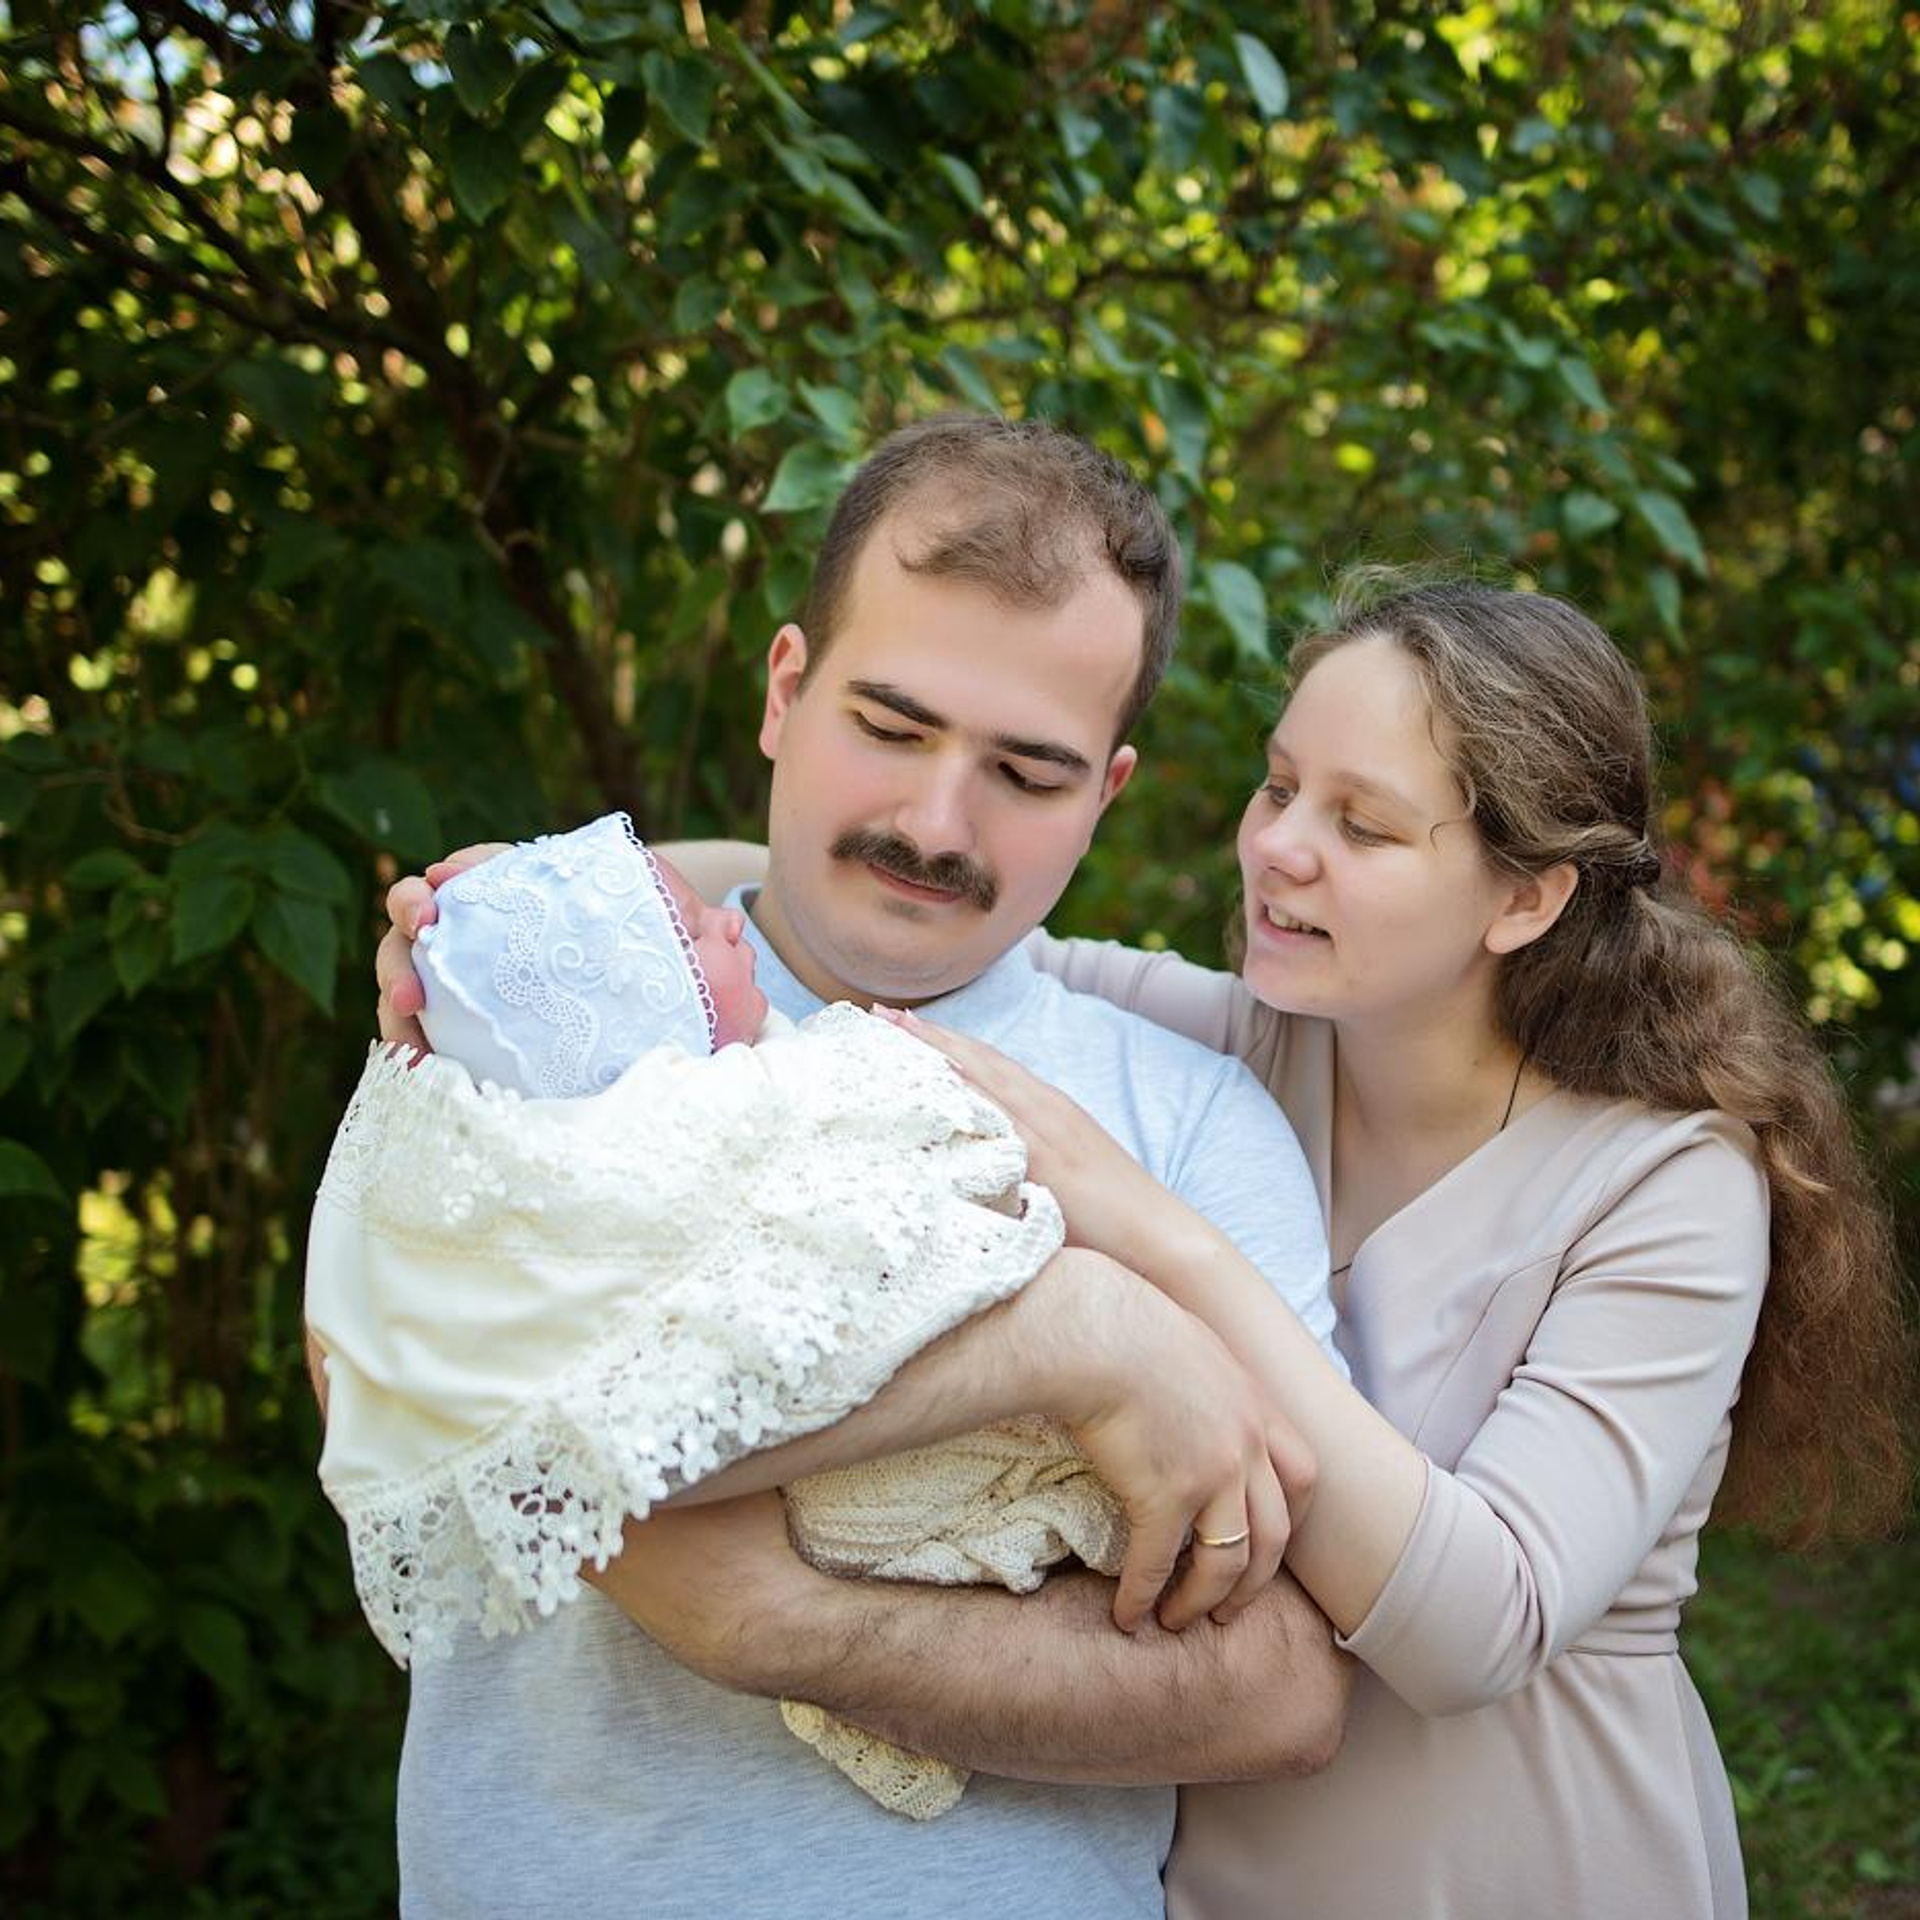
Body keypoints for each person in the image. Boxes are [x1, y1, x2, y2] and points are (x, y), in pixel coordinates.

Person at [646, 576, 1909, 1919]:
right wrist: (526, 897)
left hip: (1521, 1873)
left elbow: (1479, 1621)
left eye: (1362, 826)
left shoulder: (1664, 1184)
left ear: (1525, 900)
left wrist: (1159, 1241)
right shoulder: (1245, 1039)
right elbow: (875, 895)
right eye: (1279, 787)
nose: (1280, 849)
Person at [365, 415, 1351, 1919]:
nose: (933, 823)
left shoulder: (1188, 1128)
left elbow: (1279, 1692)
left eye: (1028, 771)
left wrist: (782, 1623)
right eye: (889, 728)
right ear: (783, 690)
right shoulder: (544, 1013)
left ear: (1112, 792)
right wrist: (1071, 1341)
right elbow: (404, 1412)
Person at [309, 811, 1155, 1821]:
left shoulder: (1177, 1084)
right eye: (689, 931)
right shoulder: (674, 1146)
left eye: (1024, 775)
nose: (729, 928)